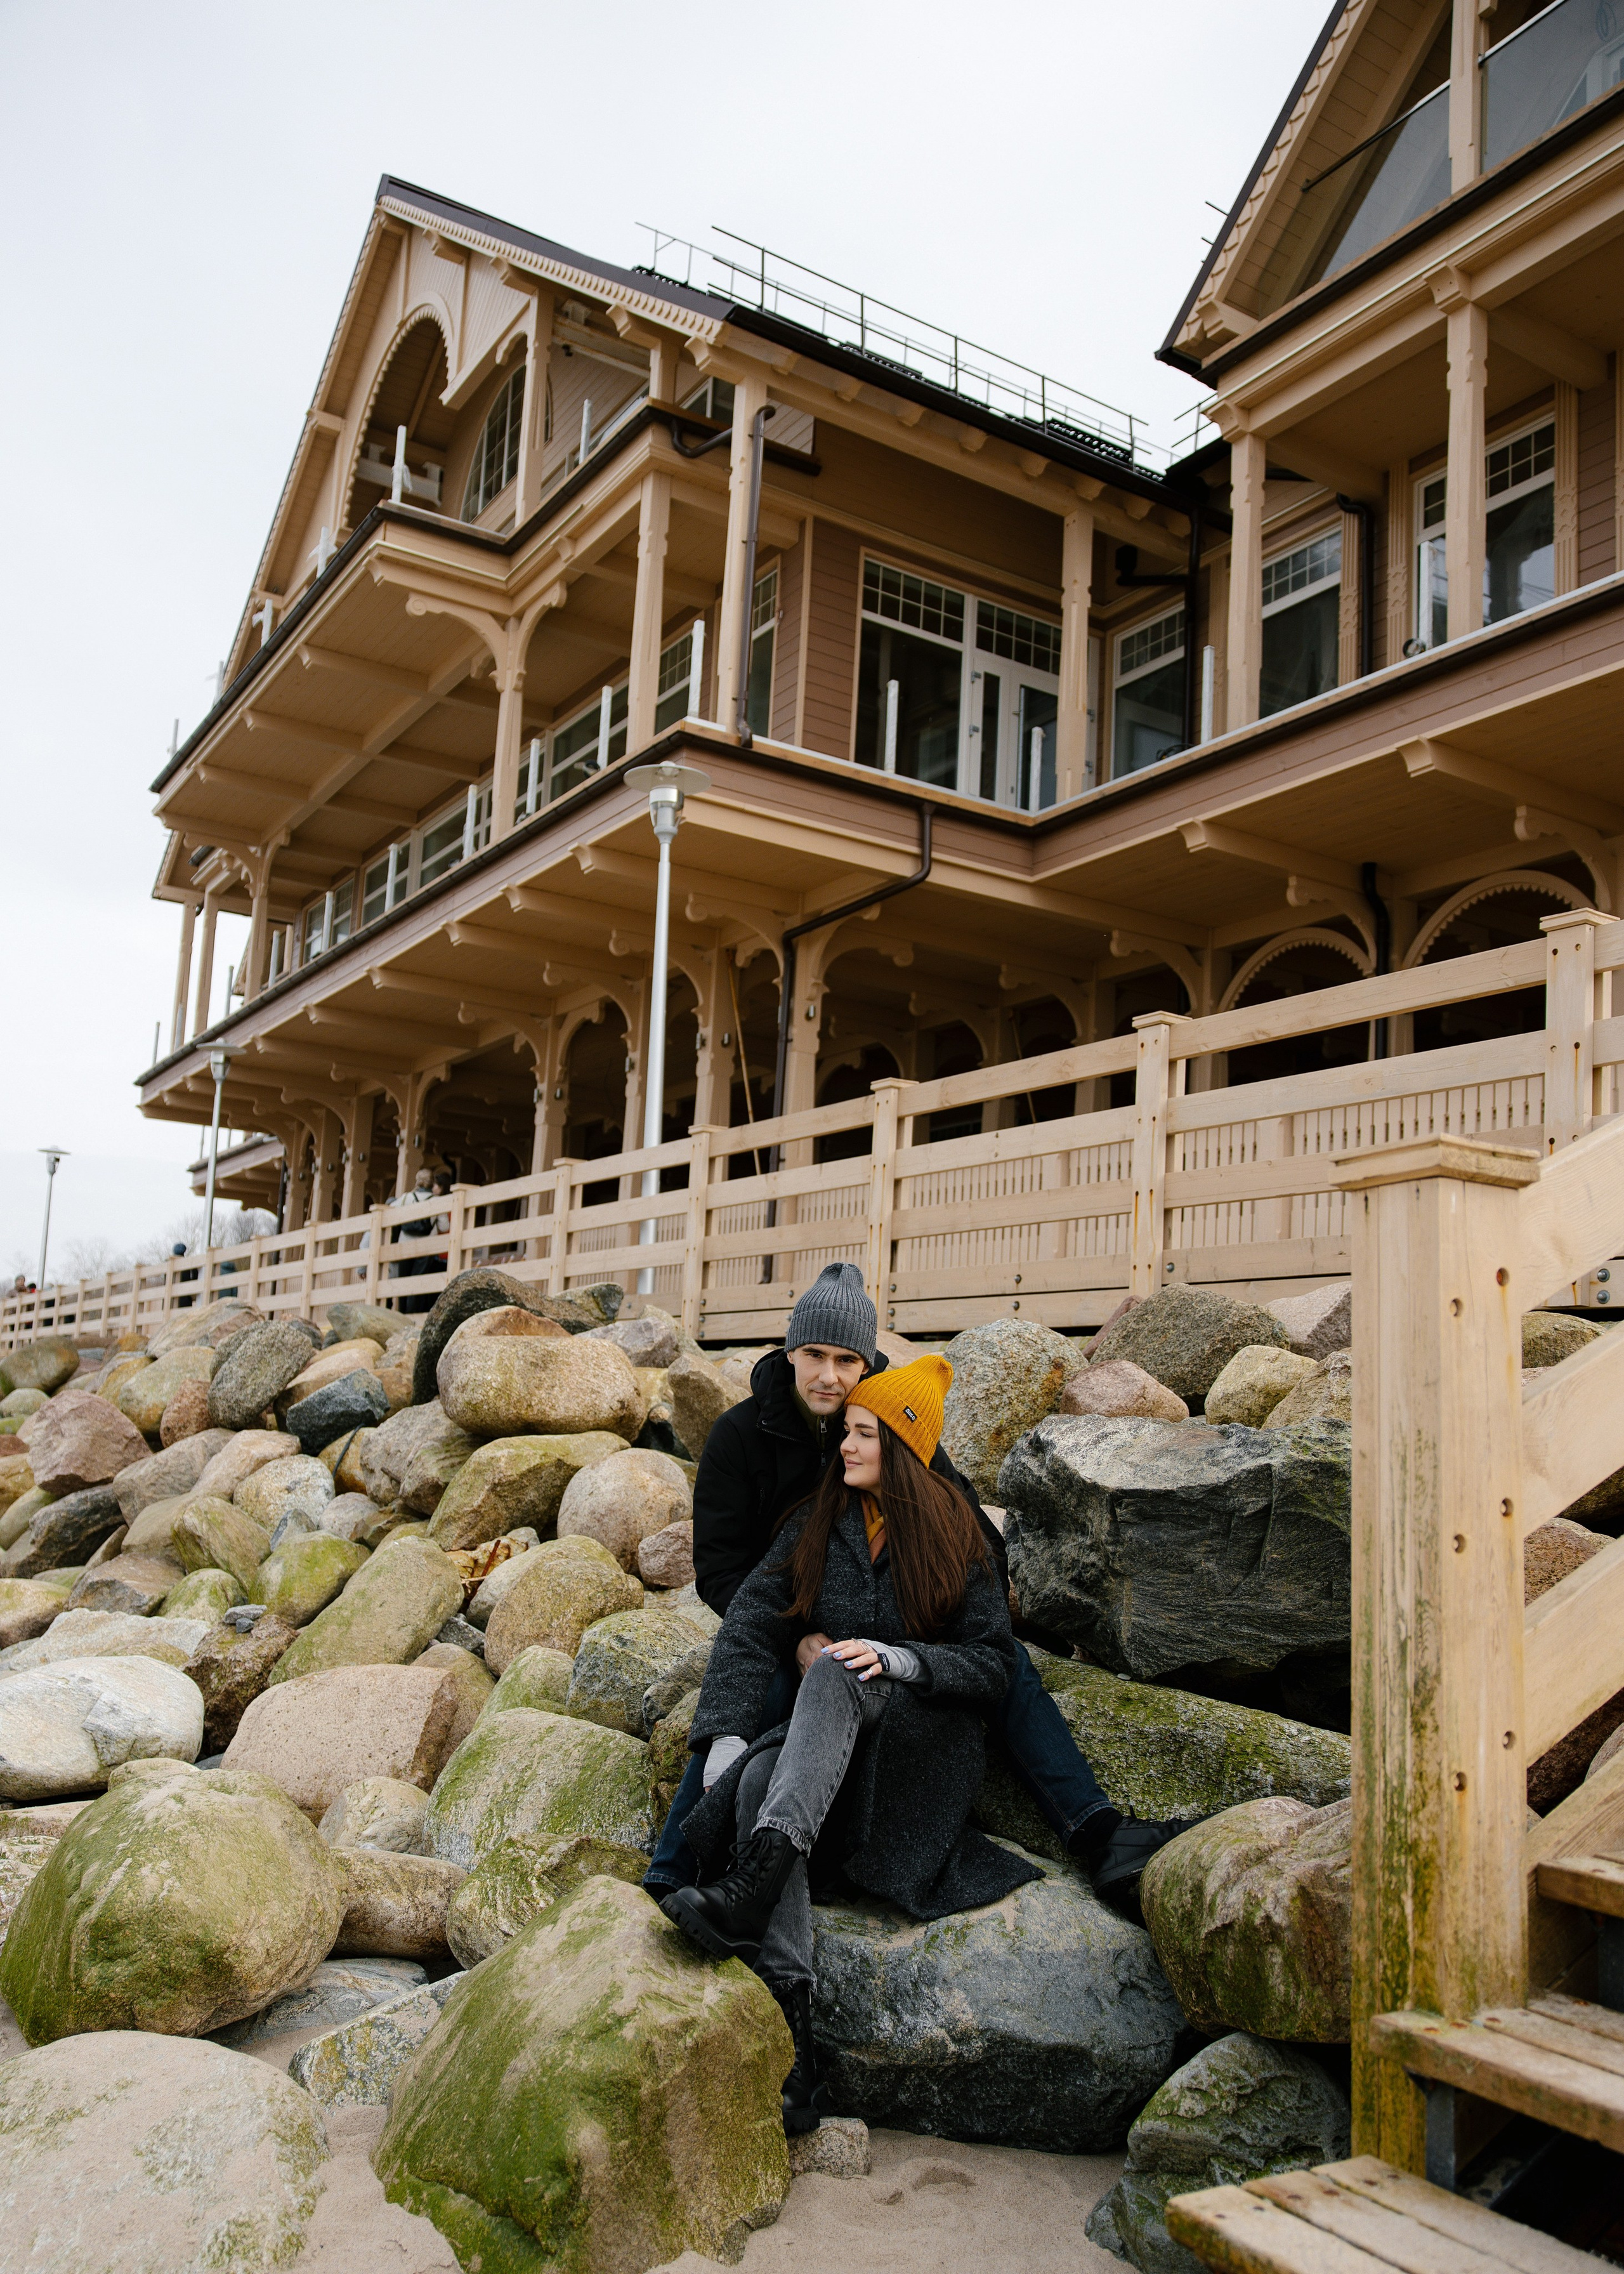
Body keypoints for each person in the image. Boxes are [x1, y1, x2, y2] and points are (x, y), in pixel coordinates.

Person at [644, 1260, 1185, 1922]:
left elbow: (964, 1533)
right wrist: (797, 1634)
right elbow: (725, 1572)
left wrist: (916, 1641)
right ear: (789, 1351)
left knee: (1006, 1662)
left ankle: (1093, 1827)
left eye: (847, 1360)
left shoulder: (890, 1419)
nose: (830, 1376)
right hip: (792, 1616)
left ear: (866, 1363)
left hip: (900, 1629)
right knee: (748, 1684)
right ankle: (676, 1866)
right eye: (814, 1354)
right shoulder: (738, 1436)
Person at [665, 1353, 1038, 2134]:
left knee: (834, 1669)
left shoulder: (956, 1530)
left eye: (863, 1433)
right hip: (820, 1772)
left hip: (913, 1763)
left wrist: (903, 1661)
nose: (843, 1444)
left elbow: (996, 1663)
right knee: (761, 1770)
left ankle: (752, 1885)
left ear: (902, 1444)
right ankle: (796, 2048)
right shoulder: (815, 1522)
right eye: (845, 1431)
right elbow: (747, 1625)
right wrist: (726, 1739)